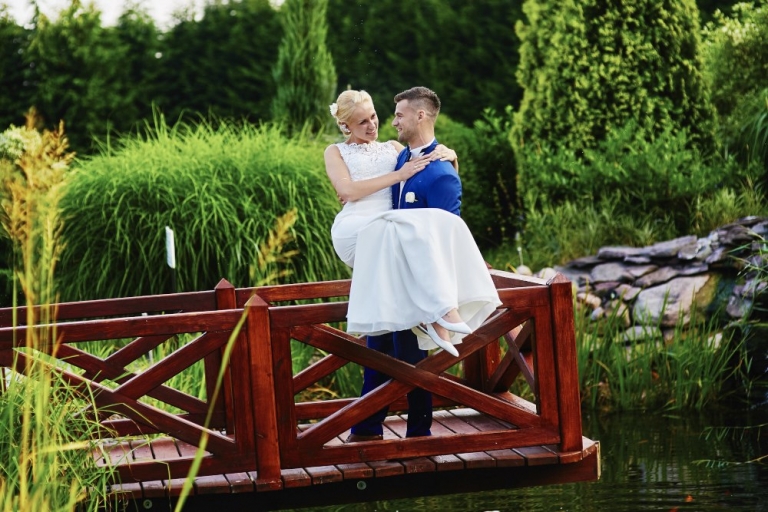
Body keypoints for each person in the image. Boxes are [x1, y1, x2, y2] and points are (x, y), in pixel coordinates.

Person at [323, 87, 501, 441]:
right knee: (392, 345)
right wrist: (400, 174)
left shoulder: (395, 150)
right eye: (362, 122)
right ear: (345, 126)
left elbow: (432, 171)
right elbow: (348, 191)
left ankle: (392, 430)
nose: (374, 125)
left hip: (394, 256)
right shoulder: (341, 152)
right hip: (366, 236)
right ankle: (440, 314)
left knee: (392, 346)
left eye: (375, 117)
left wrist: (450, 156)